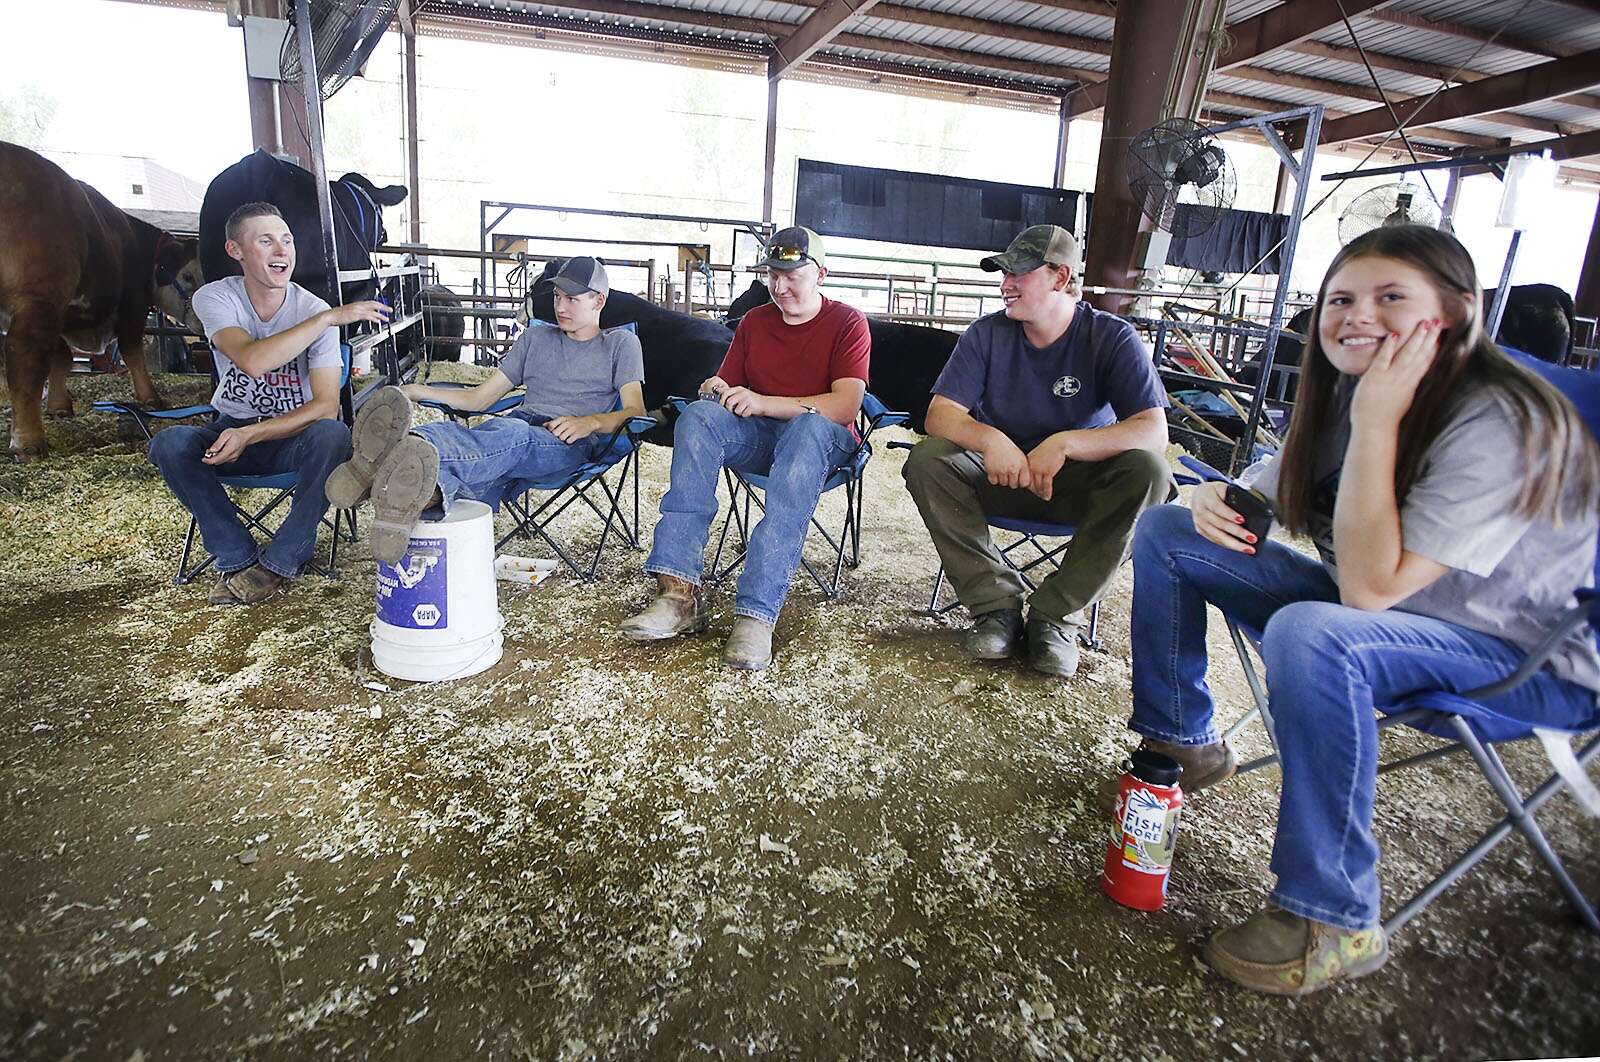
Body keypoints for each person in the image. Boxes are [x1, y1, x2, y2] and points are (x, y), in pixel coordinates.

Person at [1119, 225, 1600, 995]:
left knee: (1318, 634)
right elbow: (1265, 500)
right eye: (1341, 298)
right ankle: (1183, 740)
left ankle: (1332, 913)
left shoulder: (1502, 418)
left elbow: (1372, 591)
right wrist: (1211, 497)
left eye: (1390, 298)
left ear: (1456, 314)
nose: (1356, 315)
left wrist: (1379, 420)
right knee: (1171, 529)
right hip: (1380, 623)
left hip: (1515, 656)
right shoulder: (1347, 395)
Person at [902, 224, 1173, 677]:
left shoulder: (1111, 337)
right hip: (1001, 476)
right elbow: (940, 415)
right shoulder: (986, 335)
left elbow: (1153, 431)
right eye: (1003, 274)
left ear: (1060, 277)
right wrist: (991, 440)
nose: (1005, 284)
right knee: (927, 461)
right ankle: (995, 606)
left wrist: (1066, 444)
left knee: (1149, 471)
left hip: (1078, 485)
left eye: (1019, 274)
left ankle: (1056, 616)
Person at [619, 226, 870, 671]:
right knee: (697, 417)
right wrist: (718, 389)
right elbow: (731, 383)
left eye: (792, 274)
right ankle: (679, 593)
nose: (780, 285)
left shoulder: (848, 323)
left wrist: (764, 402)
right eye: (774, 273)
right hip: (762, 437)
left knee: (807, 429)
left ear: (821, 275)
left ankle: (756, 612)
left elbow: (845, 405)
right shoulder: (755, 321)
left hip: (822, 442)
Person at [326, 256, 645, 564]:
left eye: (572, 299)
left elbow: (634, 411)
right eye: (558, 296)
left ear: (599, 301)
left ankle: (388, 455)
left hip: (568, 442)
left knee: (510, 432)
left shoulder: (619, 344)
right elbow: (479, 399)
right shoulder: (535, 337)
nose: (560, 307)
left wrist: (591, 422)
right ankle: (416, 486)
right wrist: (417, 390)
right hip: (510, 436)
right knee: (487, 444)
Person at [149, 201, 388, 605]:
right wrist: (326, 320)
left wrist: (252, 433)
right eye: (266, 240)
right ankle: (236, 554)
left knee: (332, 435)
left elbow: (327, 405)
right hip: (229, 430)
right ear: (235, 251)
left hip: (290, 438)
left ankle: (279, 562)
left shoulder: (310, 307)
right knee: (168, 444)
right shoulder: (216, 299)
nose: (282, 251)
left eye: (287, 240)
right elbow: (252, 360)